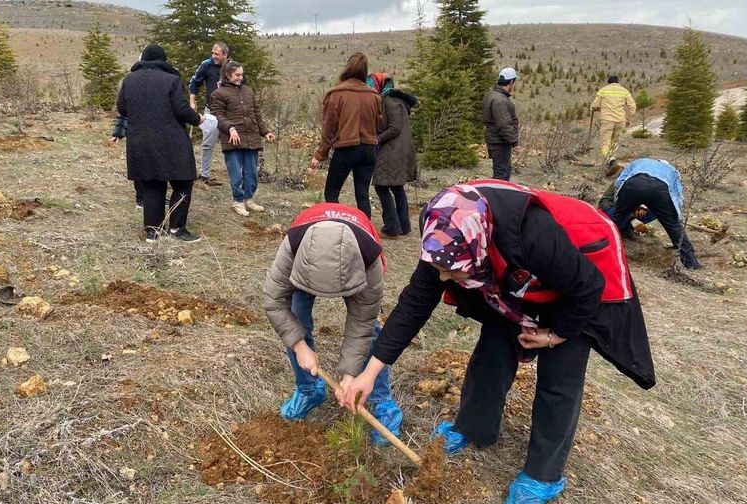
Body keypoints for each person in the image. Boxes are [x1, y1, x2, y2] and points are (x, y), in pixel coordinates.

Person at [339, 180, 656, 503]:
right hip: (507, 278)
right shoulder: (444, 232)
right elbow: (414, 305)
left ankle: (542, 474)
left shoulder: (535, 236)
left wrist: (553, 334)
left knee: (560, 377)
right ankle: (474, 427)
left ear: (476, 249)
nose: (444, 279)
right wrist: (371, 372)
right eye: (441, 270)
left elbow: (588, 287)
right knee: (491, 353)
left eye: (452, 272)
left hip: (578, 285)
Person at [264, 202, 403, 446]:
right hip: (306, 262)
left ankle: (380, 399)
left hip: (355, 264)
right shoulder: (293, 247)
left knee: (372, 329)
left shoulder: (370, 259)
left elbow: (362, 321)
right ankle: (309, 391)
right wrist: (299, 346)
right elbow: (275, 302)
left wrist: (350, 375)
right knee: (295, 315)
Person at [116, 44, 203, 243]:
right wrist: (198, 119)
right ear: (163, 61)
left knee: (152, 184)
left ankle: (153, 232)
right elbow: (181, 109)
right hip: (170, 140)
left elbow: (122, 108)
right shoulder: (172, 80)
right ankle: (177, 228)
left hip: (140, 141)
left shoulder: (129, 80)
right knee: (183, 181)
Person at [310, 52, 381, 218]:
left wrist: (319, 155)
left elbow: (328, 130)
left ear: (347, 68)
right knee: (362, 195)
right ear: (365, 71)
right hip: (369, 149)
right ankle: (365, 232)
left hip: (347, 150)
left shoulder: (336, 95)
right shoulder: (374, 96)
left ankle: (335, 229)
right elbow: (378, 125)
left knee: (332, 193)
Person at [210, 61, 275, 217]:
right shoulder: (218, 93)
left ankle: (249, 200)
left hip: (251, 137)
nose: (240, 77)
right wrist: (230, 128)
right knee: (236, 174)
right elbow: (218, 115)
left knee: (251, 173)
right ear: (228, 75)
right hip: (233, 140)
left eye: (241, 74)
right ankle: (237, 202)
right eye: (237, 75)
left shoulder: (248, 91)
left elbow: (256, 114)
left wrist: (265, 132)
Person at [612, 158, 702, 269]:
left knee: (617, 220)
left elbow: (620, 181)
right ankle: (691, 263)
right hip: (659, 189)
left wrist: (622, 203)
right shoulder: (672, 170)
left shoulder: (639, 161)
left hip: (634, 184)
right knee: (673, 226)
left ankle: (603, 247)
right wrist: (676, 218)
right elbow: (677, 195)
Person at [367, 72, 418, 237]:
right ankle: (404, 225)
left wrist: (377, 138)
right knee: (397, 188)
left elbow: (394, 127)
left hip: (392, 151)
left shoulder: (391, 101)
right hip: (400, 151)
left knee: (382, 187)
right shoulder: (395, 100)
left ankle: (392, 226)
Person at [188, 43, 229, 186]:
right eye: (213, 53)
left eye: (217, 54)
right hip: (211, 111)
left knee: (233, 144)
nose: (214, 56)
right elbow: (194, 83)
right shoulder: (206, 65)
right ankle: (204, 175)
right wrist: (192, 102)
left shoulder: (232, 67)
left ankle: (235, 174)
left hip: (230, 113)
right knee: (207, 144)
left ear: (225, 55)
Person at [481, 67, 520, 181]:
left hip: (495, 139)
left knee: (504, 170)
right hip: (499, 141)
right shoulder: (500, 100)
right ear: (511, 82)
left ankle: (499, 196)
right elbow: (504, 124)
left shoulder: (492, 94)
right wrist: (515, 142)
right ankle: (496, 198)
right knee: (501, 174)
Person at [591, 76, 636, 169]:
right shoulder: (624, 91)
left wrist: (597, 108)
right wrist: (628, 118)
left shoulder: (603, 90)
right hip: (620, 120)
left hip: (607, 120)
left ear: (608, 82)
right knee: (614, 142)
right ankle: (611, 161)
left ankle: (611, 160)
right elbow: (632, 106)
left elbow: (594, 105)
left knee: (604, 144)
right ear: (617, 82)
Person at [110, 114, 145, 210]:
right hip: (136, 133)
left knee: (156, 164)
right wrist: (118, 133)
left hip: (157, 132)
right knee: (138, 164)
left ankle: (157, 196)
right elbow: (123, 111)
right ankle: (141, 198)